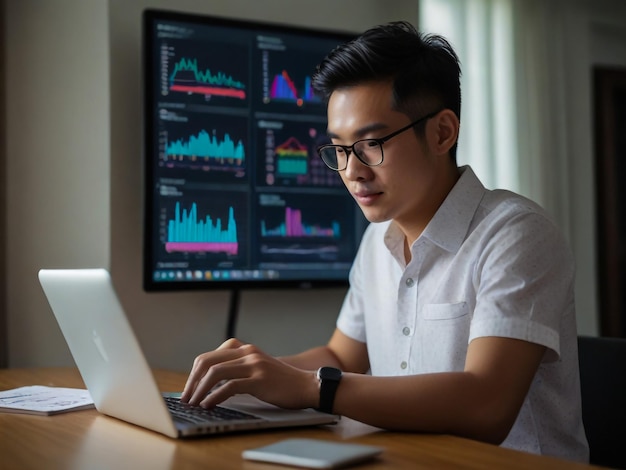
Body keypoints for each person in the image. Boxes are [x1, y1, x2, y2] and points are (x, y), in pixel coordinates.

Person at [181, 21, 589, 462]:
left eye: (370, 143)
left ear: (442, 133)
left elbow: (486, 403)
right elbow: (342, 354)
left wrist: (310, 387)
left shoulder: (516, 234)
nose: (352, 171)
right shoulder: (379, 240)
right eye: (339, 148)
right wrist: (250, 376)